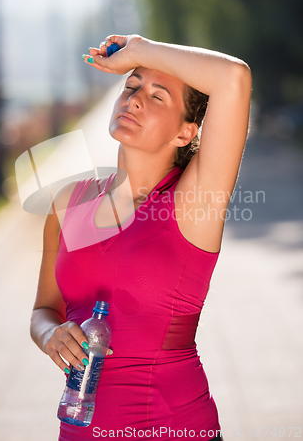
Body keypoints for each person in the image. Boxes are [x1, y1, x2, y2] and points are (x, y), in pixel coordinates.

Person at [30, 34, 252, 441]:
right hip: (79, 429)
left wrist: (139, 49)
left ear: (186, 133)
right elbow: (44, 309)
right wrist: (50, 335)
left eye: (157, 96)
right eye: (131, 86)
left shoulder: (192, 203)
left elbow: (234, 77)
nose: (134, 99)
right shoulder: (67, 203)